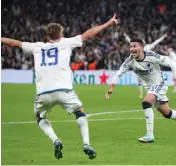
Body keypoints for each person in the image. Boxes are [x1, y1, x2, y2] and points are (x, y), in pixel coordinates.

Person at [1, 14, 118, 159]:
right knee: (79, 112)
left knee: (39, 116)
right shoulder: (66, 43)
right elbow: (89, 33)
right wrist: (108, 23)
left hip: (43, 92)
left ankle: (55, 140)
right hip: (64, 91)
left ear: (47, 35)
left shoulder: (37, 47)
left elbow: (14, 43)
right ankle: (86, 144)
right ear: (61, 34)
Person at [105, 38, 176, 143]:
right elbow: (119, 73)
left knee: (146, 102)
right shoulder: (130, 60)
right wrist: (112, 87)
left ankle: (149, 135)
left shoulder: (151, 56)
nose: (132, 49)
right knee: (166, 113)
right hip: (150, 87)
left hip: (160, 83)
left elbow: (171, 63)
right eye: (131, 46)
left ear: (141, 47)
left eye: (134, 46)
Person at [123, 33, 168, 98]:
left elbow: (156, 42)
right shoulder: (137, 47)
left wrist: (163, 37)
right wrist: (126, 36)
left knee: (150, 81)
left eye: (143, 41)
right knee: (139, 82)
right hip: (139, 67)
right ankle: (141, 94)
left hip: (149, 67)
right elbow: (130, 41)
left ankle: (151, 93)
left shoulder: (148, 47)